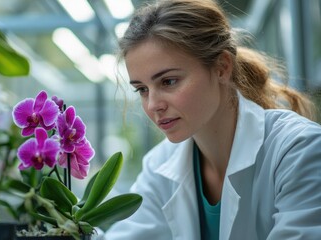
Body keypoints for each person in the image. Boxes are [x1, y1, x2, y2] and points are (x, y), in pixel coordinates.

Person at [103, 0, 321, 239]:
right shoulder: (159, 166)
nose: (153, 105)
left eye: (168, 81)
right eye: (142, 89)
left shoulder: (298, 149)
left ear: (222, 67)